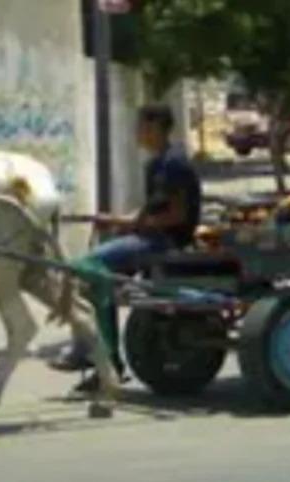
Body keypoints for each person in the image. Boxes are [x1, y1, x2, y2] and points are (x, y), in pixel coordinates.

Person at [48, 104, 203, 392]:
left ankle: (101, 357)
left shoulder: (175, 164)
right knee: (92, 275)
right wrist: (116, 220)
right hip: (149, 237)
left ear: (156, 127)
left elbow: (177, 216)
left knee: (89, 267)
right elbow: (149, 212)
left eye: (141, 126)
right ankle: (102, 356)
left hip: (166, 241)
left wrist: (132, 226)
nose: (137, 133)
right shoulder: (155, 165)